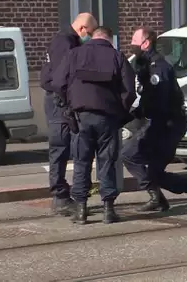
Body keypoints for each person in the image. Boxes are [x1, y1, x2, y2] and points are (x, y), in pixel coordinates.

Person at [122, 27, 187, 213]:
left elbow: (159, 100)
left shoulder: (158, 68)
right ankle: (160, 196)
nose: (132, 44)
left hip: (167, 124)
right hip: (160, 122)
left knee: (135, 159)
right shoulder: (145, 65)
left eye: (135, 40)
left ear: (146, 43)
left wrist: (139, 114)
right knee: (144, 165)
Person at [51, 26, 136, 225]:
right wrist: (120, 112)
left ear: (93, 37)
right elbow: (130, 91)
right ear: (109, 39)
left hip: (81, 118)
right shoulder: (118, 57)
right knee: (106, 162)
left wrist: (68, 106)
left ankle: (81, 210)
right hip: (107, 118)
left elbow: (57, 83)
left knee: (82, 163)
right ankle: (108, 209)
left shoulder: (74, 54)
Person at [40, 13, 98, 216]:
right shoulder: (65, 43)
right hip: (59, 101)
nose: (89, 37)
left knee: (69, 146)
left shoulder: (68, 40)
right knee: (60, 147)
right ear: (82, 28)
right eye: (90, 33)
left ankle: (69, 193)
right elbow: (63, 76)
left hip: (62, 100)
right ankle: (60, 196)